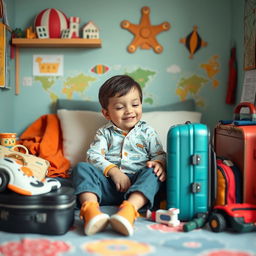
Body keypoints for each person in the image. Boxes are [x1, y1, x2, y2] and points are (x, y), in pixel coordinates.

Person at [72, 75, 166, 236]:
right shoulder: (104, 133)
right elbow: (93, 156)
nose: (129, 110)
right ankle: (91, 211)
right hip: (108, 186)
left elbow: (159, 154)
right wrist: (114, 172)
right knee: (81, 168)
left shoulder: (147, 131)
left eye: (135, 104)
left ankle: (128, 211)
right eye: (120, 107)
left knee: (153, 172)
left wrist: (159, 163)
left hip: (139, 186)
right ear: (106, 113)